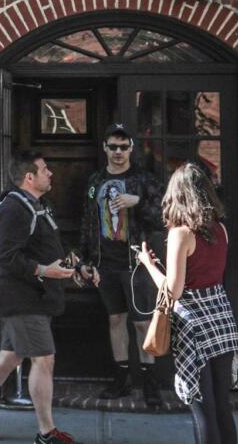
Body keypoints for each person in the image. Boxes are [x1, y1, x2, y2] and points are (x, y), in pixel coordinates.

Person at [0, 151, 90, 444]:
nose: (50, 173)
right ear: (30, 177)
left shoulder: (38, 206)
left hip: (33, 297)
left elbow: (53, 246)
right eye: (45, 169)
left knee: (10, 357)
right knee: (44, 360)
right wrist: (43, 271)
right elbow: (5, 257)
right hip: (22, 298)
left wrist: (78, 268)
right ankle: (46, 432)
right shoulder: (14, 209)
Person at [137, 164, 238, 444]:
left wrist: (148, 264)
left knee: (202, 408)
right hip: (222, 320)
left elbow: (174, 290)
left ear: (177, 195)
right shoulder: (220, 229)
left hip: (194, 325)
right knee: (222, 406)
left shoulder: (181, 233)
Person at [81, 123, 165, 406]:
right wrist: (86, 260)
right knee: (115, 319)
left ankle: (150, 382)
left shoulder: (143, 180)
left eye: (123, 146)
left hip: (136, 263)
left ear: (131, 148)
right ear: (105, 147)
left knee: (142, 322)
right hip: (106, 263)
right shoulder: (95, 182)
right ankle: (122, 379)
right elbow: (88, 221)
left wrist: (137, 202)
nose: (118, 152)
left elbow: (162, 216)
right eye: (113, 146)